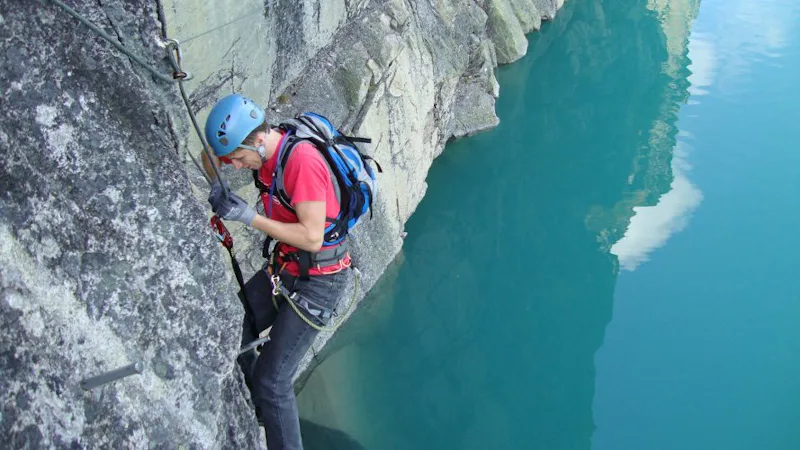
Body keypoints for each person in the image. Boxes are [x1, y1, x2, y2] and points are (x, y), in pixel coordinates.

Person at [202, 93, 351, 450]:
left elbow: (313, 237)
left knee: (274, 381)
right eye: (231, 161)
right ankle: (259, 408)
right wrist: (216, 181)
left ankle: (267, 407)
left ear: (257, 139)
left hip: (320, 281)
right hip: (285, 267)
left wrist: (248, 218)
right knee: (230, 324)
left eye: (238, 159)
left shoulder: (301, 162)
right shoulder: (265, 152)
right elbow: (214, 159)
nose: (236, 167)